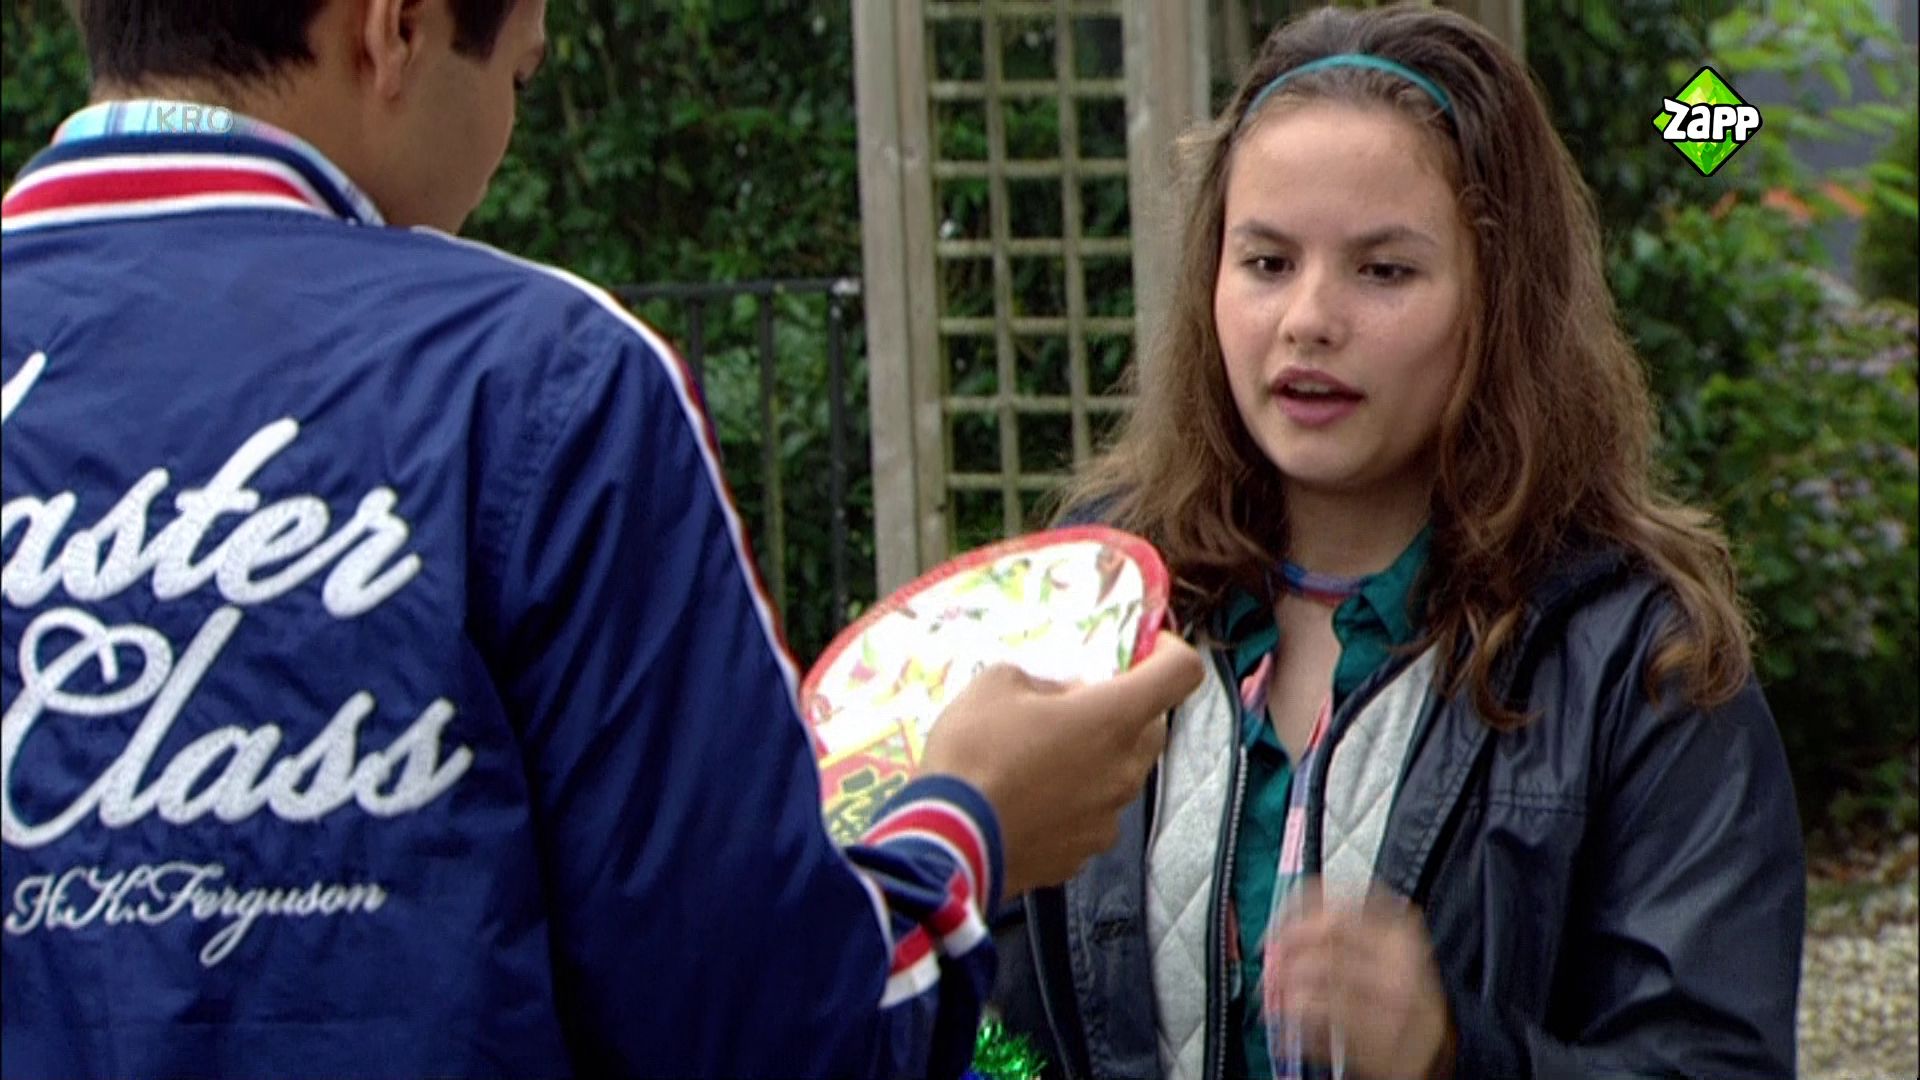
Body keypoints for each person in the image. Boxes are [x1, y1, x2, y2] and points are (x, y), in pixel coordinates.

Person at [0, 1, 1205, 1077]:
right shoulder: (537, 380)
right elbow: (761, 1031)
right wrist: (969, 823)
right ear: (395, 29)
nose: (503, 144)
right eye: (519, 78)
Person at [989, 5, 1806, 1079]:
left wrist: (1453, 1050)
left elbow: (1715, 1063)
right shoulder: (1094, 598)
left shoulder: (1638, 663)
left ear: (1501, 301)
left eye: (1383, 271)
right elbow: (978, 1017)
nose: (1308, 319)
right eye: (1267, 261)